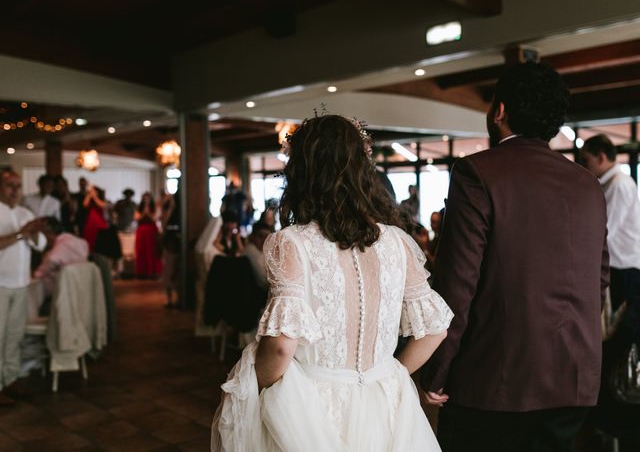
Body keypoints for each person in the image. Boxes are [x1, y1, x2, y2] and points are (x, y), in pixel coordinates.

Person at [211, 115, 453, 451]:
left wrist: (264, 389)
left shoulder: (292, 243)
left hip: (312, 409)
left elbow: (282, 346)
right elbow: (435, 330)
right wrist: (391, 373)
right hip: (385, 400)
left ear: (302, 173)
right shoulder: (398, 242)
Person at [421, 62, 609, 452]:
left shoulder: (478, 173)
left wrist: (435, 371)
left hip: (497, 382)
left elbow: (458, 285)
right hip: (573, 381)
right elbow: (599, 277)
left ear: (500, 111)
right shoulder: (587, 184)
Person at [581, 134, 640, 449]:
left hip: (623, 273)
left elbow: (606, 231)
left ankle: (616, 415)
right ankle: (608, 413)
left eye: (587, 159)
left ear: (602, 156)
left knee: (617, 341)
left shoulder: (618, 184)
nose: (584, 165)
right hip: (617, 271)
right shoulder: (611, 183)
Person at [0, 169, 46, 406]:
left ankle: (10, 379)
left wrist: (35, 233)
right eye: (10, 185)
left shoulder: (24, 212)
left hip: (20, 284)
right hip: (0, 285)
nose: (16, 191)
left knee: (15, 336)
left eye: (18, 186)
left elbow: (39, 245)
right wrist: (21, 233)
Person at [34, 217, 89, 305]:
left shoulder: (61, 246)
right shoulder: (80, 242)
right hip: (82, 289)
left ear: (48, 233)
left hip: (61, 294)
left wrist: (37, 274)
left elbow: (52, 260)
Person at [134, 192, 162, 278]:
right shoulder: (138, 209)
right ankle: (142, 272)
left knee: (152, 251)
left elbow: (155, 219)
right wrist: (143, 213)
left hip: (151, 231)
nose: (146, 201)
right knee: (141, 250)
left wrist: (148, 213)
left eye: (148, 199)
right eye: (144, 199)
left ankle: (153, 271)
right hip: (142, 232)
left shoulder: (155, 208)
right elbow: (136, 218)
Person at [242, 221, 271, 292]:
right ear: (253, 237)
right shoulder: (251, 250)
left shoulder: (263, 251)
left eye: (266, 237)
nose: (264, 240)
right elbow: (264, 281)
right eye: (260, 236)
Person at [82, 184, 108, 252]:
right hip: (90, 224)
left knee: (99, 241)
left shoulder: (102, 200)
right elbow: (85, 204)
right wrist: (89, 195)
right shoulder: (90, 201)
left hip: (99, 224)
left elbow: (102, 205)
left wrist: (95, 197)